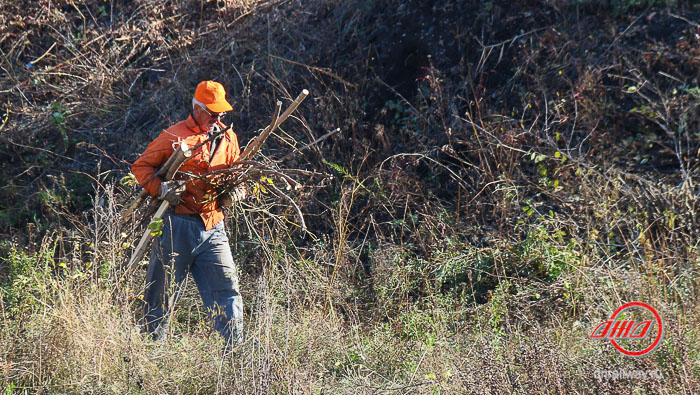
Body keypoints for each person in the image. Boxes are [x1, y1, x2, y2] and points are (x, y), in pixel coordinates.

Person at [132, 80, 246, 344]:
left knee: (227, 290)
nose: (217, 118)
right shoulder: (174, 136)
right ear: (196, 107)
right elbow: (141, 167)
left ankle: (234, 356)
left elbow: (239, 174)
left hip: (213, 225)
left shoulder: (228, 137)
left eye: (221, 113)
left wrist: (238, 191)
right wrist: (160, 190)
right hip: (176, 225)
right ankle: (151, 354)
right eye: (212, 112)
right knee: (160, 294)